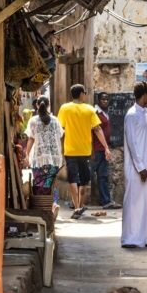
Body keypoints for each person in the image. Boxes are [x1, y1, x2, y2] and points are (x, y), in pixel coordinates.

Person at [58, 84, 109, 220]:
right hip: (85, 150)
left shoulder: (64, 108)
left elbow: (60, 130)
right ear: (81, 94)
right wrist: (106, 147)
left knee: (73, 179)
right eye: (85, 92)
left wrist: (59, 148)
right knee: (84, 180)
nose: (85, 94)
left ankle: (76, 207)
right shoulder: (89, 109)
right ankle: (79, 206)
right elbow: (97, 130)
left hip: (70, 150)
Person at [121, 83, 147, 248]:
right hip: (136, 167)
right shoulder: (131, 115)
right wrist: (140, 167)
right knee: (133, 201)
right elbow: (131, 143)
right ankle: (130, 238)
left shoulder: (144, 114)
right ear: (144, 95)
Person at [24, 96, 65, 200]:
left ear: (37, 105)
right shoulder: (55, 121)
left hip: (38, 159)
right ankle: (51, 206)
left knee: (39, 184)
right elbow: (60, 137)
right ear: (48, 105)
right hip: (54, 159)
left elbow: (31, 139)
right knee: (51, 184)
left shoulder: (33, 121)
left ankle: (40, 207)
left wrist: (27, 155)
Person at [92, 92, 118, 209]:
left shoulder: (104, 113)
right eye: (103, 99)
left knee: (103, 175)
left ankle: (106, 200)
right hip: (97, 149)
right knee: (97, 175)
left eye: (107, 99)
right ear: (98, 100)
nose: (105, 101)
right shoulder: (95, 113)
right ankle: (105, 201)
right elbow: (96, 130)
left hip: (104, 148)